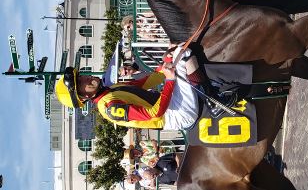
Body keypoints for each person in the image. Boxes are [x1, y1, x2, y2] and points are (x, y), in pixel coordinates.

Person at [54, 46, 199, 131]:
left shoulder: (111, 89)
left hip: (172, 106)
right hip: (175, 116)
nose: (86, 78)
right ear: (84, 97)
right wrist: (169, 79)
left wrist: (166, 63)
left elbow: (148, 81)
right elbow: (155, 113)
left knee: (175, 53)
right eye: (81, 84)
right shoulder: (109, 108)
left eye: (80, 77)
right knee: (183, 53)